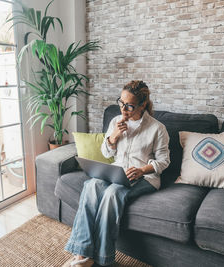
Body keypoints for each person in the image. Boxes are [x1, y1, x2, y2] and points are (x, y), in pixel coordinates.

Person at [63, 80, 170, 267]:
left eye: (129, 105)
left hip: (145, 177)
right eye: (121, 103)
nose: (123, 109)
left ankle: (104, 259)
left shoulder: (157, 128)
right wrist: (113, 137)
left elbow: (164, 161)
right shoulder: (115, 121)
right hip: (117, 171)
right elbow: (106, 153)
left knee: (112, 193)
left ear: (143, 104)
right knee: (91, 185)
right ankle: (82, 255)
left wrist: (141, 170)